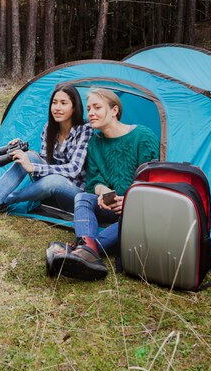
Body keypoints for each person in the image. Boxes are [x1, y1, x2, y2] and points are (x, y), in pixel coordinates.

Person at [46, 88, 159, 280]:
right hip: (110, 205)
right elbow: (94, 181)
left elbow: (152, 182)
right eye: (89, 108)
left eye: (97, 107)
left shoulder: (143, 136)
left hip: (137, 209)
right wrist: (104, 192)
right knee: (83, 197)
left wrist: (130, 201)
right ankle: (86, 250)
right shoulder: (95, 142)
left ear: (114, 110)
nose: (90, 113)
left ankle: (85, 251)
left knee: (133, 217)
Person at [0, 84, 92, 239]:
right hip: (50, 190)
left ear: (74, 107)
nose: (57, 107)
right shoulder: (49, 128)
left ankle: (2, 200)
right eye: (54, 102)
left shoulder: (85, 129)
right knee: (28, 156)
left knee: (52, 178)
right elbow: (46, 160)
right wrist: (23, 152)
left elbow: (74, 169)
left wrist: (32, 167)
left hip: (74, 194)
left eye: (63, 103)